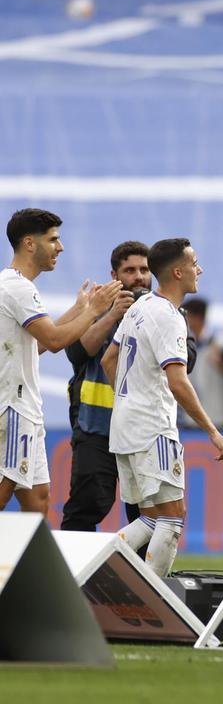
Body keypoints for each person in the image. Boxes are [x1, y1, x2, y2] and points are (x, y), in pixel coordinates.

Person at [100, 238, 223, 576]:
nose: (198, 269)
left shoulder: (139, 308)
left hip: (125, 427)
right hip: (152, 429)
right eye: (194, 262)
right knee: (173, 519)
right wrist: (213, 431)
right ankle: (154, 605)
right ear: (177, 271)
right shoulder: (169, 316)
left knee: (149, 518)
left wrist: (128, 400)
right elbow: (178, 381)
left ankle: (97, 574)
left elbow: (109, 359)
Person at [1, 209, 122, 514]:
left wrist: (80, 310)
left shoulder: (17, 286)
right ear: (29, 243)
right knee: (3, 493)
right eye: (53, 239)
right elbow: (55, 341)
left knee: (38, 499)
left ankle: (26, 563)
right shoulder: (18, 288)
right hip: (13, 407)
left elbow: (39, 344)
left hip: (25, 407)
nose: (60, 247)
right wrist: (94, 311)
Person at [62, 241, 167, 531]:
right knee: (88, 505)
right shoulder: (95, 308)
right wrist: (112, 316)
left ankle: (144, 576)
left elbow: (188, 358)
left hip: (143, 429)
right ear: (114, 275)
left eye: (144, 270)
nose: (138, 276)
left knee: (148, 514)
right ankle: (72, 575)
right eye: (129, 270)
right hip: (97, 428)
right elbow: (76, 353)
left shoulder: (163, 310)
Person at [180, 298, 223, 432]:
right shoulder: (183, 346)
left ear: (198, 318)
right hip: (190, 423)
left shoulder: (222, 345)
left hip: (219, 422)